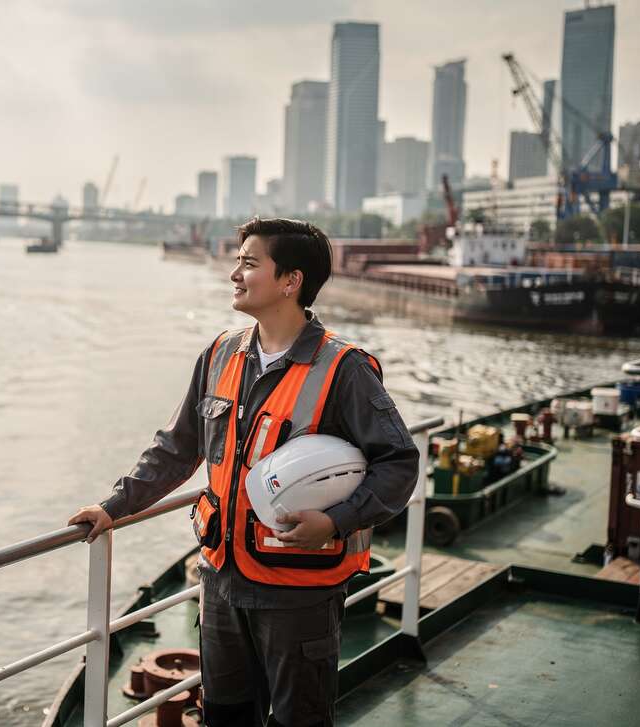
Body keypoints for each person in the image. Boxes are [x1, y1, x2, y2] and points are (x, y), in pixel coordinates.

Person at [68, 217, 419, 727]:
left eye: (250, 263)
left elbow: (398, 463)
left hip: (299, 595)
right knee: (225, 717)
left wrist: (336, 520)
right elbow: (176, 448)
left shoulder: (344, 369)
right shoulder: (220, 354)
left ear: (290, 281)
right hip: (222, 583)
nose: (235, 273)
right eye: (238, 260)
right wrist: (112, 507)